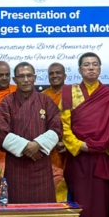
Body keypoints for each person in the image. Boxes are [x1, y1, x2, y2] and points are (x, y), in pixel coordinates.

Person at [60, 53, 109, 217]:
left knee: (102, 208)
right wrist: (78, 145)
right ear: (79, 69)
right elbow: (63, 125)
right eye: (86, 65)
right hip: (79, 159)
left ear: (101, 68)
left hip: (103, 157)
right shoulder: (69, 92)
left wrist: (103, 145)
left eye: (95, 65)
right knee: (82, 207)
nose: (91, 68)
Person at [0, 62, 63, 203]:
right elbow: (1, 133)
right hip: (16, 167)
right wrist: (27, 147)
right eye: (21, 76)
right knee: (16, 210)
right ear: (14, 80)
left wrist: (38, 144)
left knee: (43, 210)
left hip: (41, 166)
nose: (25, 80)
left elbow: (57, 128)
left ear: (35, 77)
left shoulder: (46, 101)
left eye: (29, 76)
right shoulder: (6, 103)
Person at [42, 62, 69, 201]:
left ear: (65, 75)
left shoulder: (73, 94)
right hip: (49, 150)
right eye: (51, 73)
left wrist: (65, 142)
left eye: (58, 73)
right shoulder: (42, 96)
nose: (55, 76)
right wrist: (53, 141)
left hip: (70, 149)